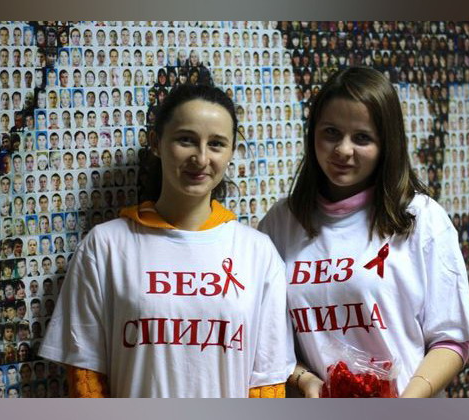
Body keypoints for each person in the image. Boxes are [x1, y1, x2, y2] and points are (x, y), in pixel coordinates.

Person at [40, 83, 294, 397]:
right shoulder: (105, 246)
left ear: (231, 152)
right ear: (156, 143)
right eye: (186, 140)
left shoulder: (257, 252)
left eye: (216, 144)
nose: (201, 158)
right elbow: (86, 375)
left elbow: (267, 381)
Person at [259, 67, 469, 398]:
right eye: (331, 132)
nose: (343, 150)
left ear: (386, 144)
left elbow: (452, 339)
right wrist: (305, 380)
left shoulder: (421, 218)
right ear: (313, 133)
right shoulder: (280, 223)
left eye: (362, 138)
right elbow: (268, 339)